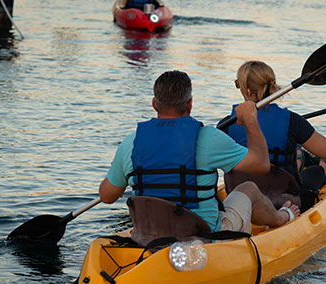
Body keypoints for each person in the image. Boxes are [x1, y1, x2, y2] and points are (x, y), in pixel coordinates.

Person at [99, 70, 300, 241]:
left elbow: (106, 196)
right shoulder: (208, 138)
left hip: (149, 235)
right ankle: (282, 217)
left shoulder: (130, 143)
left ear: (154, 103)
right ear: (190, 104)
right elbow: (262, 164)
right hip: (202, 235)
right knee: (248, 188)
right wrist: (250, 120)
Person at [220, 60, 326, 211]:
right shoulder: (292, 121)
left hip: (240, 200)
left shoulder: (225, 126)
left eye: (238, 84)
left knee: (296, 155)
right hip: (284, 202)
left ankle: (299, 157)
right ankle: (322, 165)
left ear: (247, 91)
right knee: (315, 172)